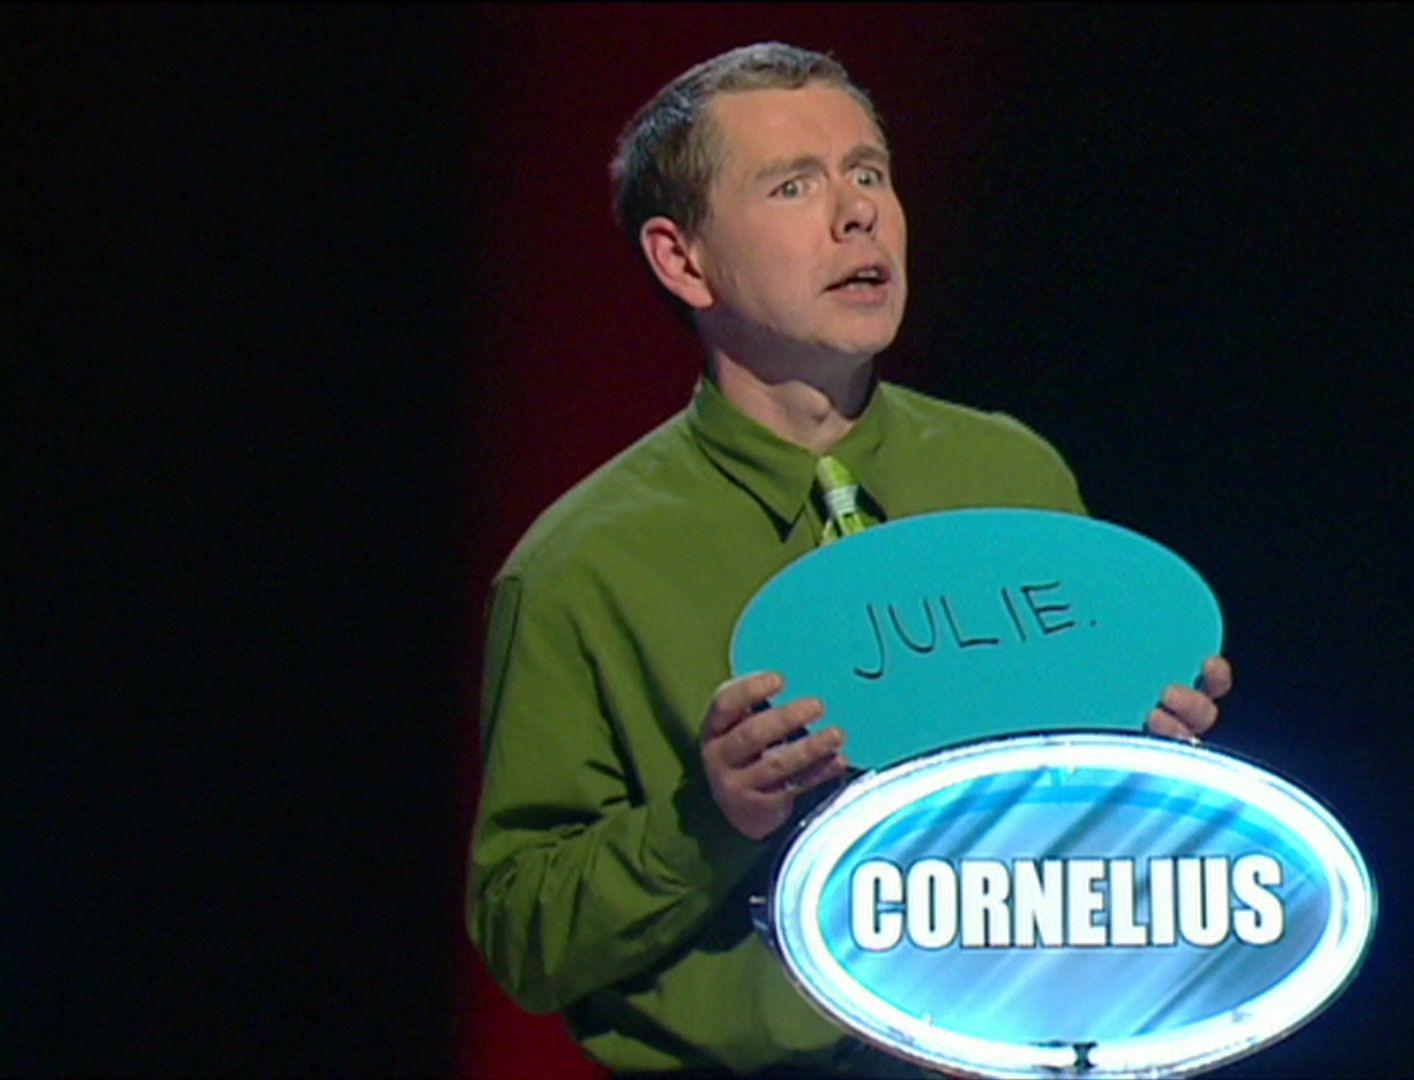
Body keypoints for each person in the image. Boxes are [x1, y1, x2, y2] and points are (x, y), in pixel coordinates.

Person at [465, 42, 1233, 1075]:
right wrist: (710, 819)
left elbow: (1085, 838)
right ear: (682, 258)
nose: (857, 213)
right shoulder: (581, 566)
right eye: (794, 185)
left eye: (868, 172)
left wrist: (1147, 759)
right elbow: (524, 934)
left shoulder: (1012, 477)